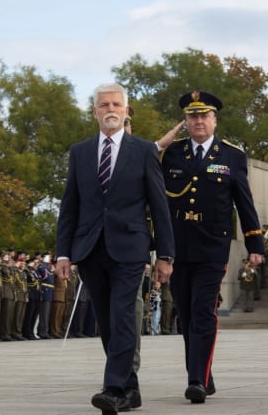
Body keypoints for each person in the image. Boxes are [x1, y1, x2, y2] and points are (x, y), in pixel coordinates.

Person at [55, 83, 174, 413]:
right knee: (106, 320)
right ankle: (130, 388)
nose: (110, 109)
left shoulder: (144, 151)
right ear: (94, 112)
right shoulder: (79, 153)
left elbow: (159, 206)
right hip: (90, 249)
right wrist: (63, 253)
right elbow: (70, 207)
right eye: (103, 104)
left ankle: (114, 387)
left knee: (123, 314)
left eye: (116, 104)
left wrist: (165, 255)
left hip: (130, 248)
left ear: (125, 110)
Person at [160, 90, 265, 404]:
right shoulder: (171, 153)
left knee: (204, 311)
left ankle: (196, 380)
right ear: (186, 121)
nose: (198, 121)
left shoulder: (231, 155)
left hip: (212, 247)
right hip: (177, 247)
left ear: (214, 120)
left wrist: (254, 242)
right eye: (192, 116)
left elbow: (243, 202)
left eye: (204, 116)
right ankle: (204, 371)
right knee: (186, 314)